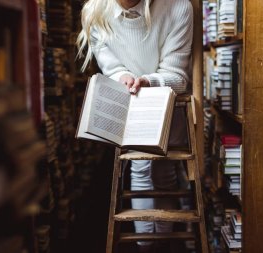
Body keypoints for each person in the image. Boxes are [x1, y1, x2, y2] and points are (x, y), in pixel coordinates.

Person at [77, 0, 193, 252]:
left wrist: (147, 81)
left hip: (164, 100)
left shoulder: (178, 7)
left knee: (163, 172)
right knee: (139, 168)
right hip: (129, 102)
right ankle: (145, 246)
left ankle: (161, 245)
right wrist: (122, 77)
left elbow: (178, 77)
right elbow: (112, 67)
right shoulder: (94, 12)